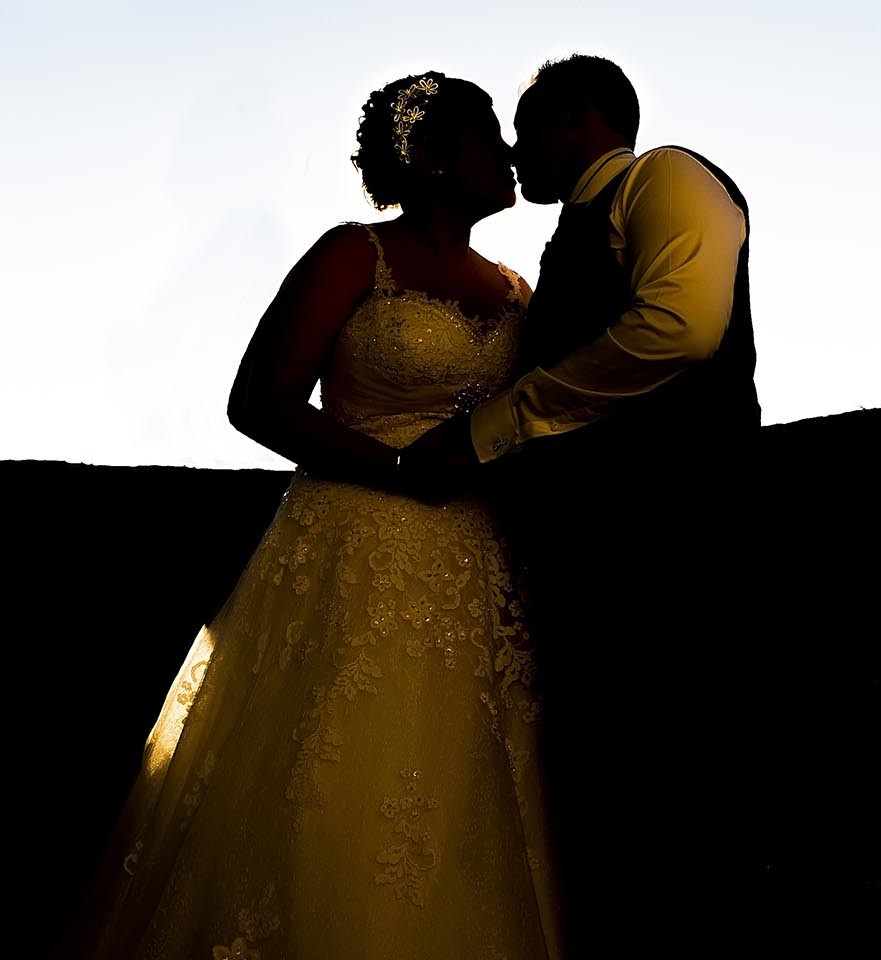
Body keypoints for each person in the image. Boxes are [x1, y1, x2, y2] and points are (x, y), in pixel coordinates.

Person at [51, 72, 564, 959]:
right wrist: (394, 468)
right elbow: (261, 400)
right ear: (435, 157)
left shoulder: (518, 290)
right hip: (356, 536)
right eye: (488, 133)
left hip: (480, 561)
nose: (510, 152)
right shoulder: (353, 255)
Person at [401, 55, 769, 957]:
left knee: (680, 800)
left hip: (679, 550)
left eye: (526, 128)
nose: (514, 151)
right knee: (604, 807)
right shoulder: (563, 244)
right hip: (589, 565)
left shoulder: (665, 178)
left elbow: (680, 328)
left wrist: (495, 426)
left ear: (576, 118)